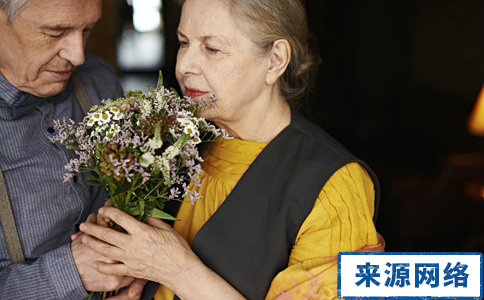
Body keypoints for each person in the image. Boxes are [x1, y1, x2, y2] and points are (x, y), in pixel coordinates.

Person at [79, 0, 385, 299]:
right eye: (184, 43)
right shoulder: (167, 143)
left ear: (275, 59)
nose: (184, 66)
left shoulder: (333, 186)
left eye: (212, 49)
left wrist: (178, 270)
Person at [0, 0, 145, 298]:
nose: (77, 56)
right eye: (55, 32)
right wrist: (71, 272)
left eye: (88, 30)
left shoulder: (100, 83)